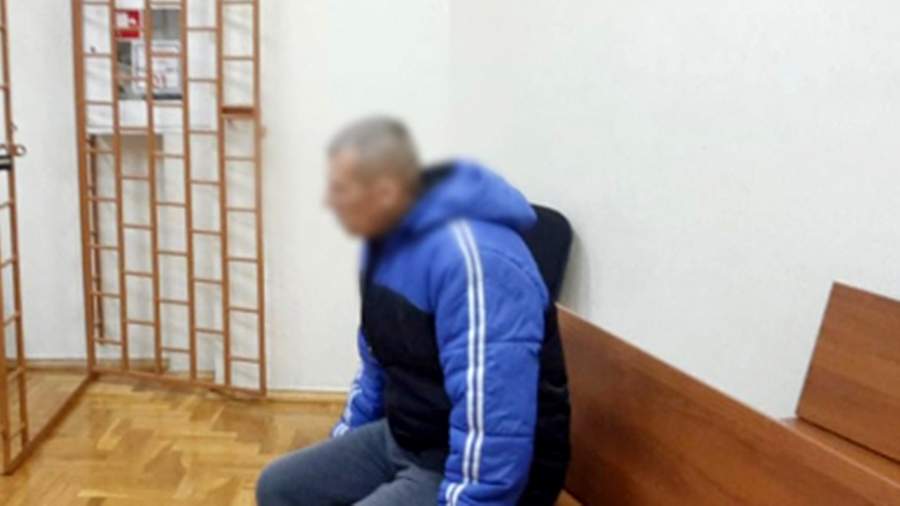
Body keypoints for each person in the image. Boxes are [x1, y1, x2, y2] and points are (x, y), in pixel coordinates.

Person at [256, 116, 570, 506]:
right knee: (278, 487)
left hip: (483, 470)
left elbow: (496, 425)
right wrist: (344, 446)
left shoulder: (477, 260)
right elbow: (375, 368)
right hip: (410, 436)